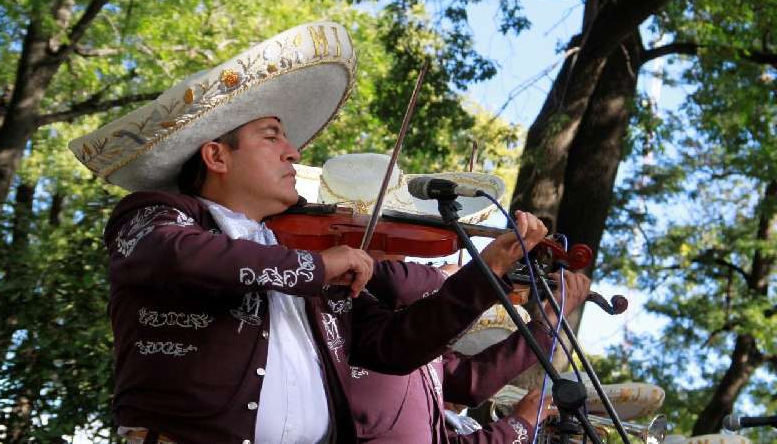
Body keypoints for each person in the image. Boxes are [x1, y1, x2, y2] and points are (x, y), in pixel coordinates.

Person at [69, 22, 550, 443]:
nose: (293, 153)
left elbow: (396, 346)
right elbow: (177, 254)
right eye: (271, 135)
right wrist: (317, 268)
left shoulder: (298, 251)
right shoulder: (158, 215)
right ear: (216, 157)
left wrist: (485, 275)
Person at [312, 153, 592, 443]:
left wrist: (546, 323)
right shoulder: (341, 297)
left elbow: (469, 383)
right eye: (395, 223)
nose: (408, 246)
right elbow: (398, 285)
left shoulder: (400, 315)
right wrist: (477, 272)